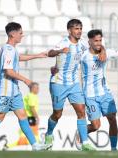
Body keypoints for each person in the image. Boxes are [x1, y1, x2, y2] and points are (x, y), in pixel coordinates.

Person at [0, 22, 50, 151]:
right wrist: (26, 80)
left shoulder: (12, 49)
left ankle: (35, 145)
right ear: (12, 34)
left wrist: (37, 55)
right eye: (20, 33)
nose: (22, 35)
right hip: (6, 91)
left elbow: (19, 57)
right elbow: (8, 71)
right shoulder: (8, 49)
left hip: (14, 91)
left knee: (23, 116)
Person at [45, 19, 106, 151]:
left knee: (81, 112)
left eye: (80, 28)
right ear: (69, 30)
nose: (79, 31)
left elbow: (97, 46)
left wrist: (103, 51)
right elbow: (50, 53)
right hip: (58, 83)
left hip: (74, 84)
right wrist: (60, 51)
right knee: (57, 114)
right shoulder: (64, 43)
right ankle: (49, 134)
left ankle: (84, 142)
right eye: (76, 28)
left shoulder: (83, 43)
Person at [74, 29, 118, 151]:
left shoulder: (106, 52)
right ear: (90, 42)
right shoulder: (83, 55)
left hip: (105, 93)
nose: (98, 43)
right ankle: (80, 132)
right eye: (96, 41)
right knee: (96, 126)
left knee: (113, 119)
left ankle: (114, 149)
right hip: (90, 95)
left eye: (100, 40)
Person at [7, 82, 41, 148]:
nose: (38, 90)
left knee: (32, 134)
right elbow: (32, 108)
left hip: (28, 117)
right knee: (31, 135)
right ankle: (9, 146)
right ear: (32, 88)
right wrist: (37, 117)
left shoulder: (29, 95)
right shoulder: (31, 96)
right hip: (30, 118)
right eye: (37, 88)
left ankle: (37, 145)